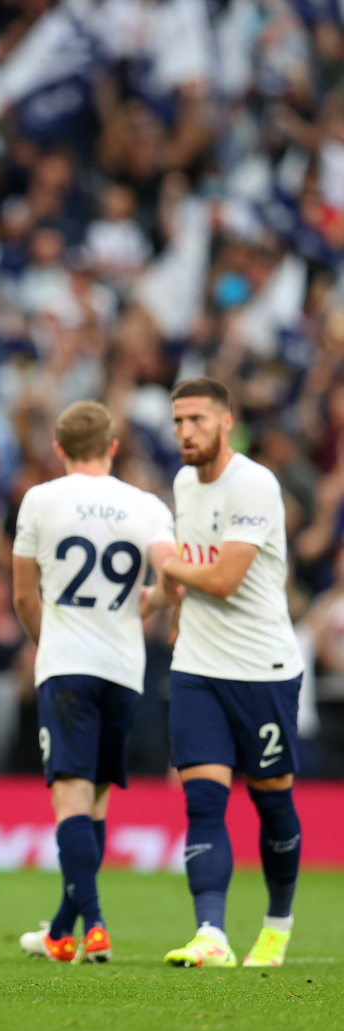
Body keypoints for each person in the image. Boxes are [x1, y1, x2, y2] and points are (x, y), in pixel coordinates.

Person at [11, 401, 177, 963]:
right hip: (124, 669)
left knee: (70, 800)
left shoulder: (41, 499)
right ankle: (62, 931)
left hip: (67, 662)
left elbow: (21, 594)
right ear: (113, 446)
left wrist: (46, 642)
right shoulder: (147, 506)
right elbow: (170, 578)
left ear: (58, 449)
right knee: (97, 802)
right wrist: (149, 601)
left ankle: (97, 923)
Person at [158, 377, 303, 969]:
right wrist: (172, 606)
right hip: (197, 666)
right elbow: (192, 568)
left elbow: (222, 579)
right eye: (177, 421)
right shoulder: (184, 482)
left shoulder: (255, 484)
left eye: (196, 419)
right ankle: (211, 934)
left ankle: (277, 922)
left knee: (272, 802)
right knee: (203, 802)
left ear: (225, 422)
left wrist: (162, 560)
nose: (185, 432)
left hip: (263, 669)